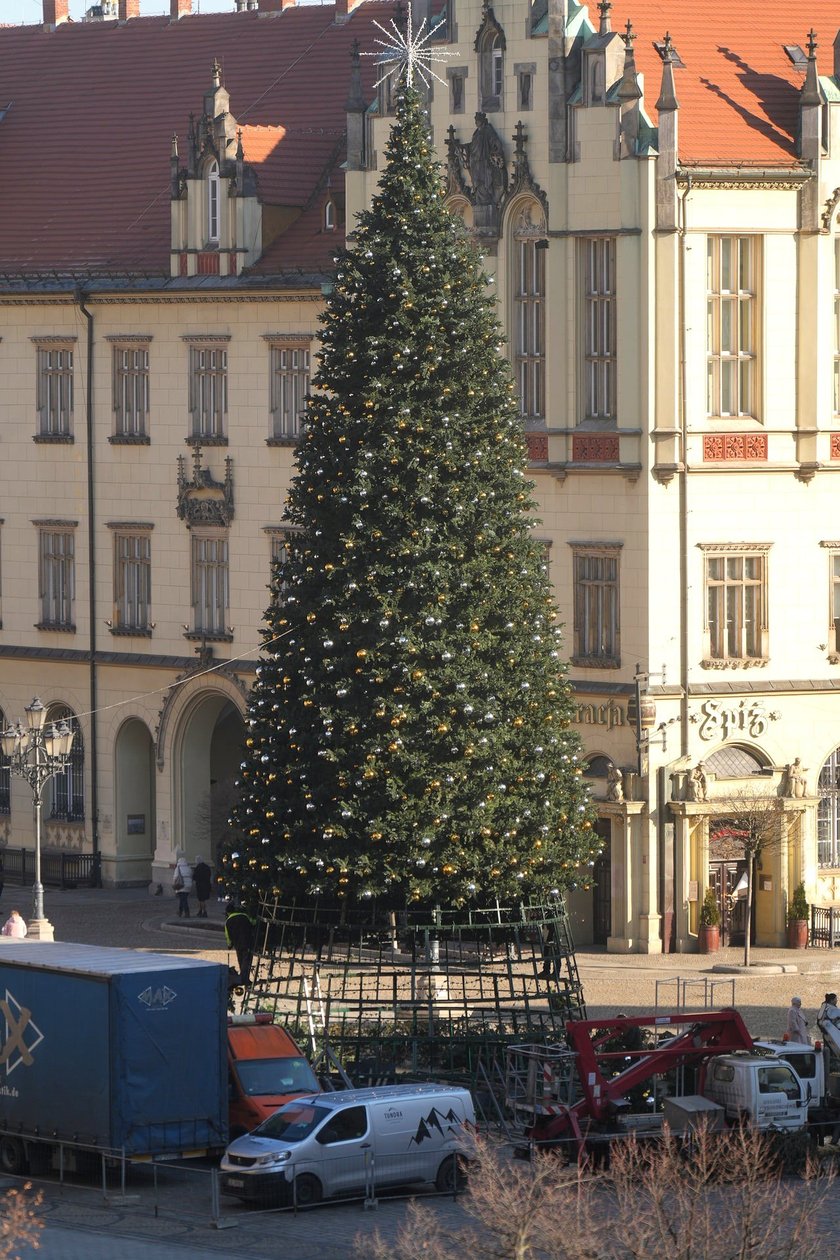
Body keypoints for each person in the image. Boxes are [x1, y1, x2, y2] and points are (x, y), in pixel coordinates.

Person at [225, 901, 257, 987]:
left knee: (241, 960)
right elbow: (253, 923)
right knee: (247, 961)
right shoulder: (244, 916)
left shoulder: (228, 921)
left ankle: (242, 978)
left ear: (228, 912)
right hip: (247, 942)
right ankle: (245, 979)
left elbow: (227, 935)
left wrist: (229, 945)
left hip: (237, 944)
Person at [172, 849, 193, 919]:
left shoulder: (178, 868)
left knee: (183, 900)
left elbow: (175, 877)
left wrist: (174, 884)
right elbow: (191, 875)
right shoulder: (188, 868)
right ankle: (180, 911)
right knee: (183, 899)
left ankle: (187, 913)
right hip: (188, 886)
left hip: (181, 886)